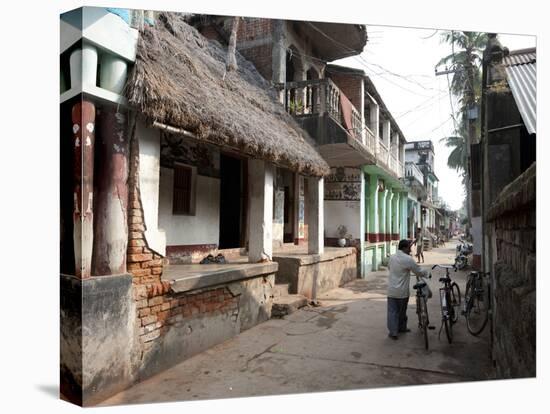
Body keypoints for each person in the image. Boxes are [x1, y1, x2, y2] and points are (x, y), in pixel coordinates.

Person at [386, 239, 429, 340]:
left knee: (392, 312)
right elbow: (418, 271)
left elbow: (389, 268)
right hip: (402, 292)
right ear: (404, 248)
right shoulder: (408, 259)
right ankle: (401, 328)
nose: (410, 249)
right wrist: (427, 274)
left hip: (391, 291)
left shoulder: (392, 257)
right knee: (401, 311)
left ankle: (393, 332)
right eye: (409, 247)